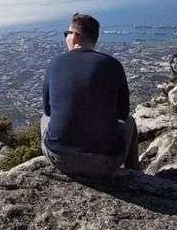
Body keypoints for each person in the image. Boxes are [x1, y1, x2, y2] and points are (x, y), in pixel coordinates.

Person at [41, 12, 141, 178]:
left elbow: (48, 111)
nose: (66, 37)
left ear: (74, 35)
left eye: (67, 34)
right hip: (107, 162)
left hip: (62, 159)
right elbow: (122, 114)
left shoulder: (55, 63)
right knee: (130, 121)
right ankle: (133, 173)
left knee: (44, 119)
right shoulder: (113, 64)